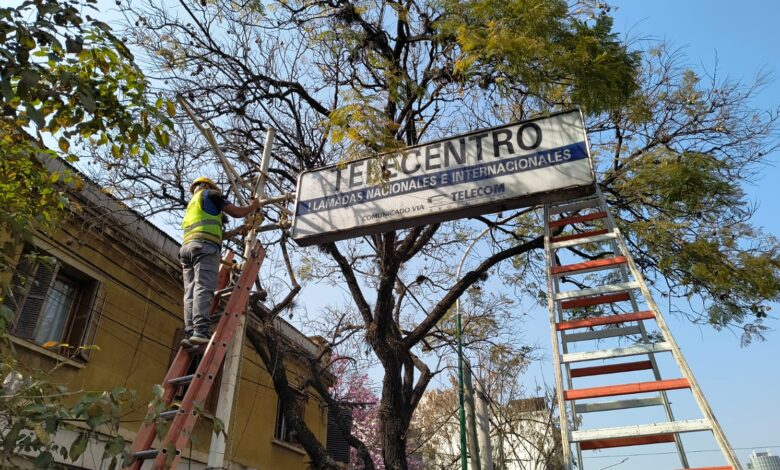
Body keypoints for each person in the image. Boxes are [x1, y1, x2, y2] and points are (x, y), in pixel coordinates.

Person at [179, 177, 261, 347]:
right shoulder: (211, 194)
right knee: (204, 287)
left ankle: (189, 332)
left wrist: (237, 231)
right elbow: (238, 212)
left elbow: (212, 232)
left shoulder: (192, 205)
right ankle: (201, 331)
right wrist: (253, 206)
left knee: (190, 292)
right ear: (207, 185)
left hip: (187, 249)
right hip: (204, 249)